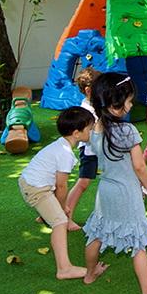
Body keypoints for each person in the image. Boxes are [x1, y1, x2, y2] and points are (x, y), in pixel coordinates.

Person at [83, 73, 147, 294]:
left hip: (105, 191)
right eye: (129, 100)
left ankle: (90, 274)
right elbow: (139, 166)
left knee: (98, 232)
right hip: (127, 192)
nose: (131, 104)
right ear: (116, 103)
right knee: (139, 243)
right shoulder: (128, 131)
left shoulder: (94, 128)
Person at [18, 106, 96, 280]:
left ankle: (45, 215)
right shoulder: (65, 154)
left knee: (56, 211)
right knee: (60, 222)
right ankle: (64, 268)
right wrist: (62, 209)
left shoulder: (60, 144)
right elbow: (61, 186)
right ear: (77, 133)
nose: (92, 132)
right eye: (90, 129)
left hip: (31, 182)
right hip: (36, 188)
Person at [65, 67, 102, 230]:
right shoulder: (86, 110)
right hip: (90, 151)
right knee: (83, 183)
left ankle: (51, 211)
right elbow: (92, 133)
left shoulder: (95, 105)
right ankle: (66, 218)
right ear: (88, 91)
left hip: (97, 150)